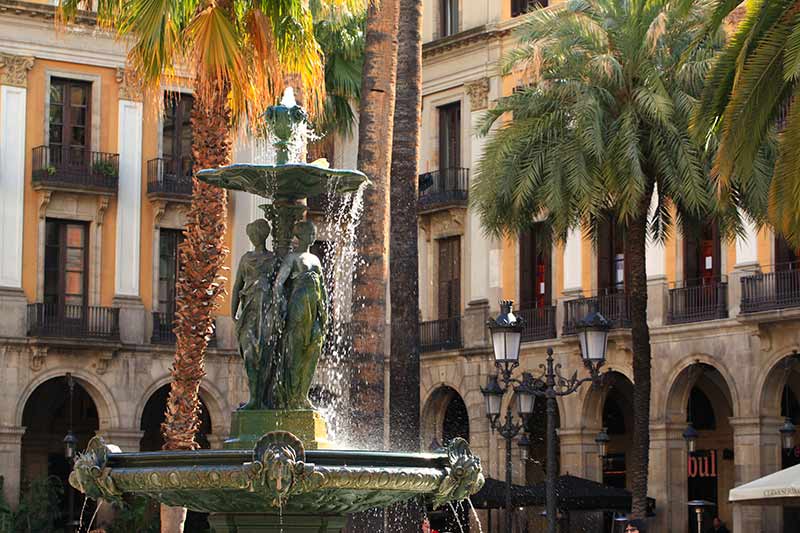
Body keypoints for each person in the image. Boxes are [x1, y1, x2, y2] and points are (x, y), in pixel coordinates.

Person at [273, 220, 329, 409]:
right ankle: (292, 396)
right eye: (310, 233)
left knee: (312, 351)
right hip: (297, 307)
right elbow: (279, 283)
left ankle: (303, 394)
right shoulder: (292, 258)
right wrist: (280, 306)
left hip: (314, 310)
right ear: (301, 235)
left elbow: (322, 287)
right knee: (295, 353)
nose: (313, 236)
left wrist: (325, 311)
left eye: (314, 233)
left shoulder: (316, 259)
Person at [231, 219, 280, 409]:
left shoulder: (274, 259)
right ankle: (254, 398)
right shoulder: (246, 258)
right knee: (250, 353)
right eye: (252, 234)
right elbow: (237, 286)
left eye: (255, 234)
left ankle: (263, 399)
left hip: (267, 310)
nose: (253, 237)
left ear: (263, 235)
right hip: (249, 311)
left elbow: (280, 287)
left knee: (266, 354)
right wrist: (232, 314)